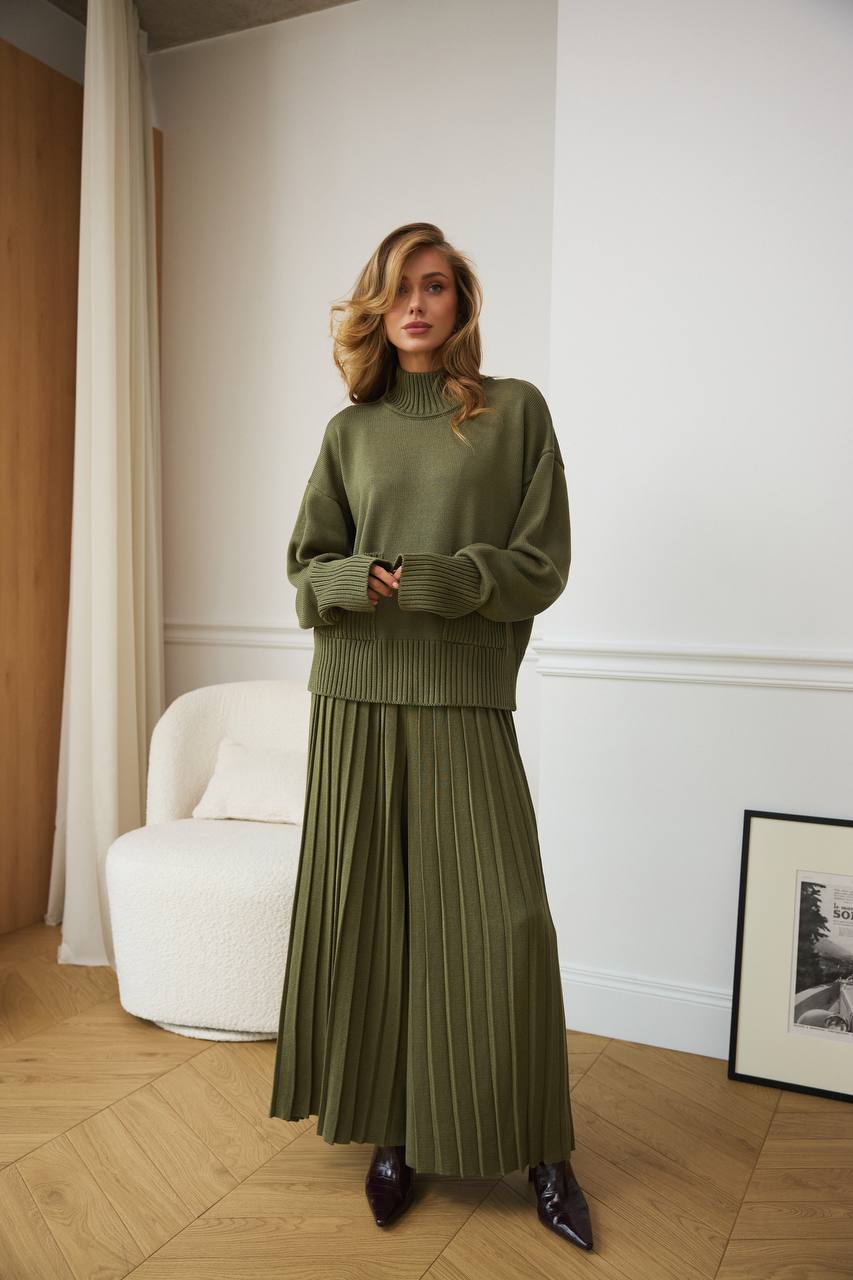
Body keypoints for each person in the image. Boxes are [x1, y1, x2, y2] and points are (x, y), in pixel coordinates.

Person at [268, 221, 593, 1252]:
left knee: (506, 926)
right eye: (400, 286)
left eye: (437, 285)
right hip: (356, 700)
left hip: (462, 698)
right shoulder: (348, 431)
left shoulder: (514, 415)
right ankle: (395, 1132)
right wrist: (338, 581)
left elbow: (543, 561)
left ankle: (545, 1148)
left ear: (461, 304)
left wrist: (458, 582)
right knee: (376, 923)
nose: (418, 302)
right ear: (378, 302)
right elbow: (303, 568)